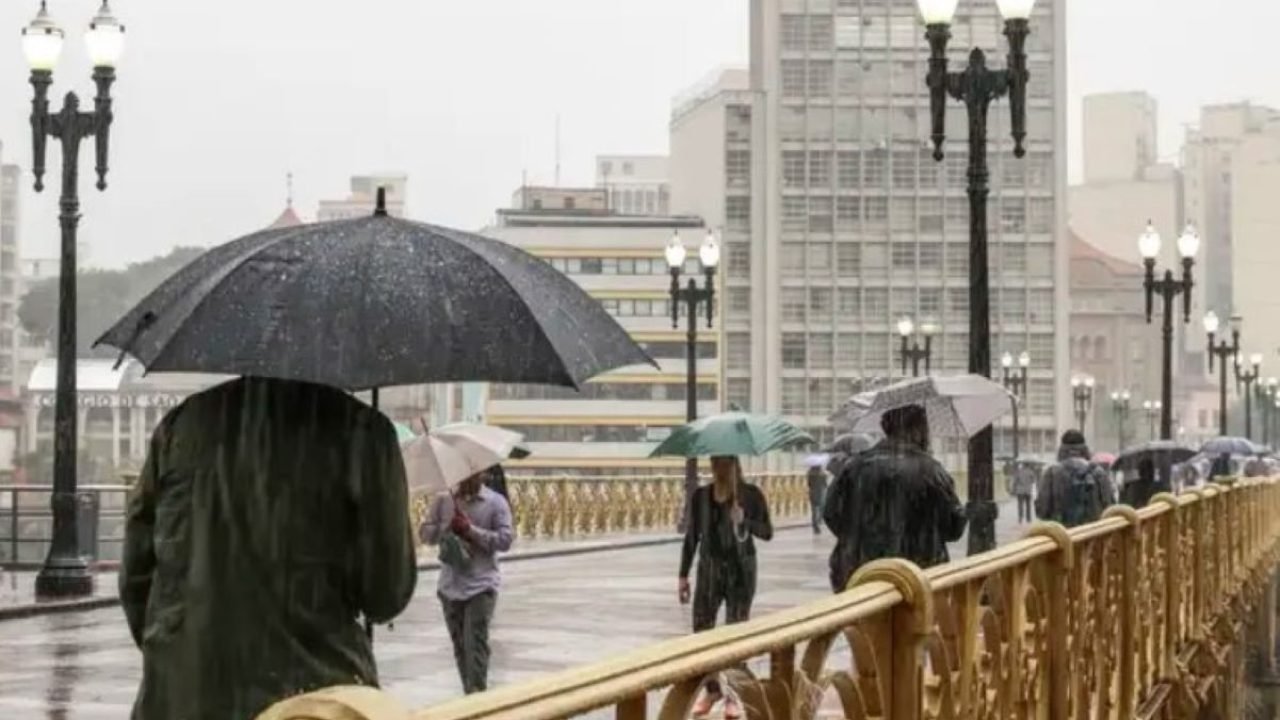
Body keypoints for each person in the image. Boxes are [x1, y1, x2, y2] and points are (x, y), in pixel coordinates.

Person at [119, 377, 417, 720]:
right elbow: (386, 595)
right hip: (312, 697)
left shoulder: (183, 424)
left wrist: (181, 651)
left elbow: (136, 575)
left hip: (180, 697)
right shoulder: (364, 432)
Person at [823, 404, 967, 594]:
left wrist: (858, 539)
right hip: (915, 578)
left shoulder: (855, 466)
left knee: (860, 613)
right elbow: (953, 529)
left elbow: (831, 513)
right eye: (924, 429)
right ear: (915, 430)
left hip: (857, 572)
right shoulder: (931, 470)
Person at [678, 456, 773, 719]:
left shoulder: (750, 495)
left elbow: (767, 532)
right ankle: (712, 689)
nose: (718, 468)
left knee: (735, 632)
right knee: (702, 629)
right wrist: (683, 574)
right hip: (710, 569)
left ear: (735, 465)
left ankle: (733, 694)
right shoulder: (701, 497)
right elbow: (691, 537)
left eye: (724, 463)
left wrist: (744, 521)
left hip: (741, 570)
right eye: (715, 463)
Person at [422, 467, 514, 695]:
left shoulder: (495, 502)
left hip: (481, 586)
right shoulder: (444, 499)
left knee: (475, 646)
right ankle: (469, 695)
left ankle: (477, 696)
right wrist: (444, 527)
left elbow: (505, 540)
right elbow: (425, 535)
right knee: (460, 648)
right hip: (450, 586)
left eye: (474, 474)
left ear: (482, 475)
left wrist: (470, 530)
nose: (467, 479)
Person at [1036, 430, 1115, 528]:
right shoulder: (1099, 472)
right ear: (1085, 449)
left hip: (1062, 534)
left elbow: (1042, 511)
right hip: (1093, 533)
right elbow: (1110, 507)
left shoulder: (1051, 473)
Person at [806, 463, 828, 535]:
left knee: (814, 510)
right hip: (821, 493)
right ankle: (819, 521)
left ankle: (815, 525)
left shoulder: (810, 474)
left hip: (812, 493)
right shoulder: (823, 474)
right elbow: (825, 484)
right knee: (821, 508)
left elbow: (809, 484)